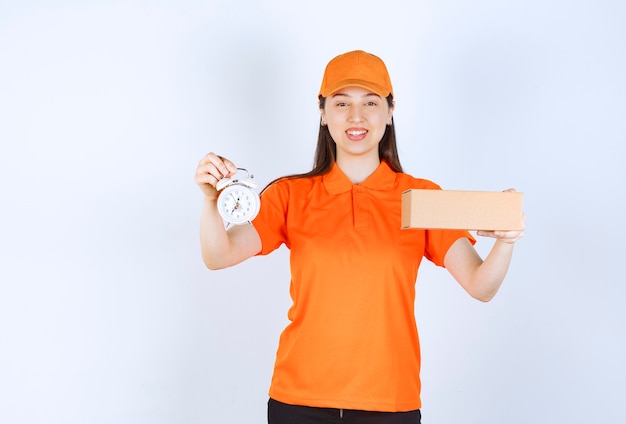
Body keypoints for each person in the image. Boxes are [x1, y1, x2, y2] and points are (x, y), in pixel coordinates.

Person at [194, 50, 525, 424]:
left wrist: (506, 240)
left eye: (370, 102)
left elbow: (481, 285)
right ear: (322, 113)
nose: (356, 117)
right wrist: (210, 202)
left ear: (389, 110)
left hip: (390, 403)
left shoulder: (421, 198)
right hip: (298, 401)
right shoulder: (290, 195)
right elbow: (219, 256)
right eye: (341, 103)